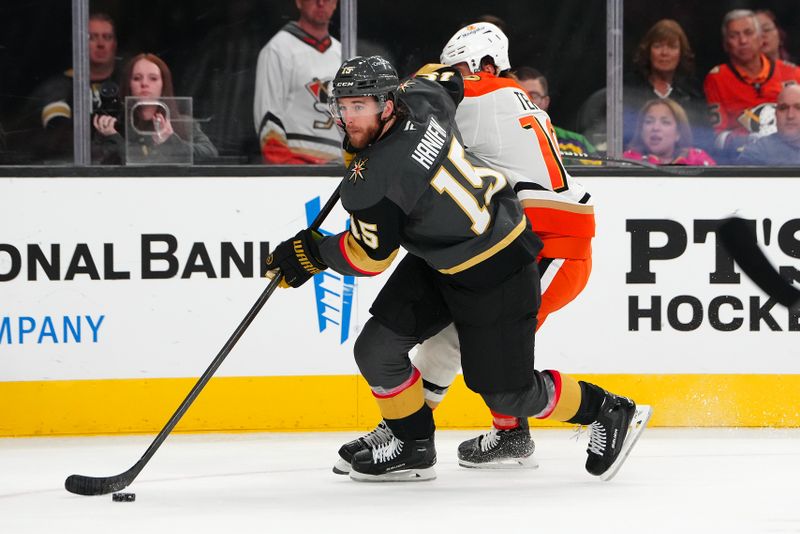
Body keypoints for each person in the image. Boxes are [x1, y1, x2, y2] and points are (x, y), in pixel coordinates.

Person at [265, 54, 651, 482]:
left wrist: (313, 254)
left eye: (363, 105)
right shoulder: (421, 97)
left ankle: (609, 409)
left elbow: (370, 257)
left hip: (498, 268)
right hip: (442, 256)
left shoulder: (377, 179)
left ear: (388, 104)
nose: (351, 117)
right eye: (345, 106)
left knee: (509, 392)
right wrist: (417, 80)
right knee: (377, 349)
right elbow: (447, 78)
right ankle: (411, 444)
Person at [332, 23, 605, 473]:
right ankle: (410, 434)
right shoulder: (511, 98)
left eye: (463, 68)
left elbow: (420, 115)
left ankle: (524, 428)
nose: (459, 76)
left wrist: (388, 95)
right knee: (451, 341)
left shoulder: (485, 94)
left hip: (550, 248)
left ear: (487, 66)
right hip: (519, 238)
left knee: (481, 349)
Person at [704, 9, 800, 162]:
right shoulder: (717, 78)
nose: (743, 41)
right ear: (725, 44)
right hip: (742, 158)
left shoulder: (793, 73)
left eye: (748, 33)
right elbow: (717, 137)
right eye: (734, 36)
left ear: (761, 38)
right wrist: (748, 139)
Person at [253, 0, 342, 164]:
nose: (321, 3)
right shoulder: (277, 50)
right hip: (298, 173)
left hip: (340, 170)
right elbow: (268, 121)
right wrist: (292, 169)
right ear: (299, 2)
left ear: (336, 3)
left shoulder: (342, 53)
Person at [92, 53, 218, 164]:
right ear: (129, 85)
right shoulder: (115, 125)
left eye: (153, 78)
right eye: (137, 78)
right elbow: (95, 165)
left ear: (163, 85)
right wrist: (112, 138)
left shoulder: (182, 124)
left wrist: (170, 141)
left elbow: (210, 155)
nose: (144, 84)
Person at [28, 12, 120, 163]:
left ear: (114, 44)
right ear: (79, 43)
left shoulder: (128, 81)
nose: (101, 44)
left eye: (107, 37)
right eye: (92, 37)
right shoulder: (59, 87)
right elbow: (56, 137)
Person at [624, 19, 710, 151]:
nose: (664, 53)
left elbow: (704, 139)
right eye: (658, 46)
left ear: (681, 53)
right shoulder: (629, 89)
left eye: (672, 47)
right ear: (648, 51)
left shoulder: (693, 93)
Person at [514, 65, 599, 161]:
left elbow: (601, 174)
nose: (527, 101)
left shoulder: (575, 144)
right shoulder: (500, 143)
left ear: (546, 102)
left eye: (533, 96)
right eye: (520, 95)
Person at [623, 99, 715, 166]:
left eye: (665, 122)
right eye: (649, 121)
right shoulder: (628, 161)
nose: (655, 128)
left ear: (678, 133)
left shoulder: (696, 159)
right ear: (641, 130)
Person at [738, 85, 800, 165]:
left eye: (798, 108)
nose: (790, 115)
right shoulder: (757, 152)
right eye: (783, 108)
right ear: (776, 114)